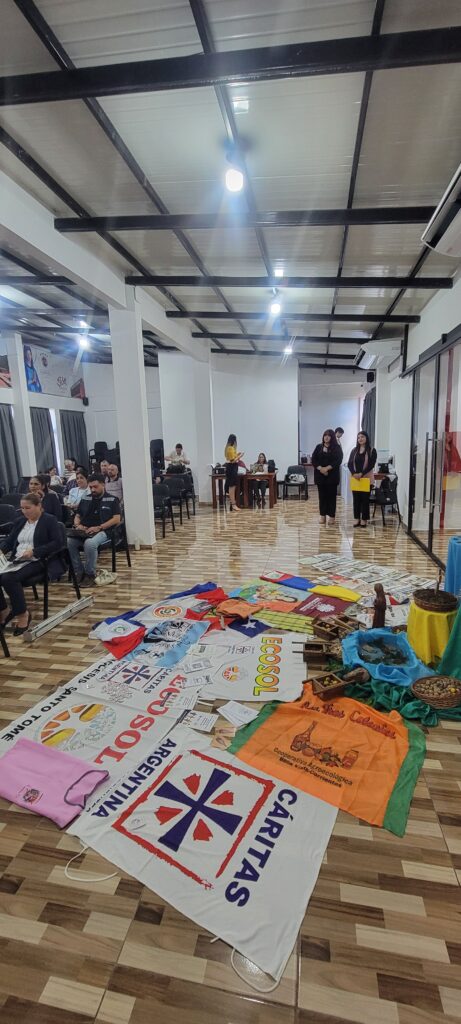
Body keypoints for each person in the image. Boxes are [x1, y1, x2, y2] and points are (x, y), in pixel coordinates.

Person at [0, 493, 62, 634]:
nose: (24, 511)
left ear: (38, 506)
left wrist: (35, 551)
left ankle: (23, 614)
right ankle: (4, 610)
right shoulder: (20, 521)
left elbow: (57, 543)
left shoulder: (49, 520)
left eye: (28, 508)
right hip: (18, 559)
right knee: (3, 576)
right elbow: (9, 541)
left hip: (38, 560)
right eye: (22, 508)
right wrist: (1, 550)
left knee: (8, 578)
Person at [67, 473, 121, 587]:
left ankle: (90, 574)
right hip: (85, 530)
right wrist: (77, 525)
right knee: (69, 542)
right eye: (90, 487)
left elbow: (116, 519)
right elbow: (78, 515)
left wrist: (99, 527)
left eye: (95, 487)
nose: (92, 490)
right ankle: (79, 571)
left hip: (104, 531)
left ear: (103, 485)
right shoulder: (86, 498)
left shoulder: (112, 499)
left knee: (89, 543)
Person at [311, 429, 343, 524]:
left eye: (329, 435)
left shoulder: (337, 448)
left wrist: (327, 468)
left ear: (332, 437)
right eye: (325, 435)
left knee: (331, 497)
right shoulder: (319, 447)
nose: (326, 437)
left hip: (332, 477)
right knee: (322, 497)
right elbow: (314, 460)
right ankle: (322, 516)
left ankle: (332, 516)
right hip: (320, 476)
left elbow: (338, 460)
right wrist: (321, 468)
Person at [347, 430, 377, 528]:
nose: (360, 439)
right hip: (355, 478)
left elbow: (371, 465)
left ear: (366, 438)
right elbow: (350, 463)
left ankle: (364, 519)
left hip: (366, 479)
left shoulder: (372, 450)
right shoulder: (354, 450)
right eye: (358, 437)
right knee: (356, 499)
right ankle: (357, 518)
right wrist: (354, 473)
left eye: (362, 437)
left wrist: (361, 474)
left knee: (365, 500)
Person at [224, 434, 243, 512]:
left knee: (233, 487)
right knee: (232, 487)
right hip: (232, 468)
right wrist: (240, 456)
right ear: (234, 441)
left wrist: (237, 455)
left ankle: (233, 504)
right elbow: (232, 461)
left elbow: (232, 458)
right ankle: (233, 505)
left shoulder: (228, 448)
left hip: (231, 468)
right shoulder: (230, 448)